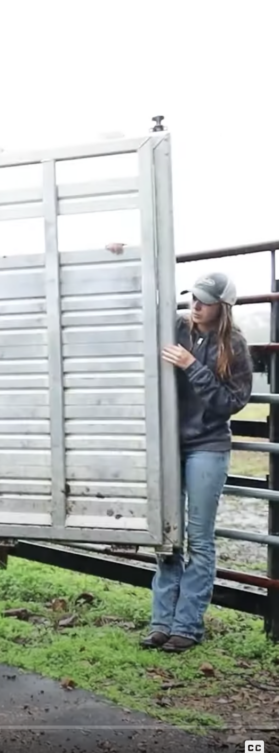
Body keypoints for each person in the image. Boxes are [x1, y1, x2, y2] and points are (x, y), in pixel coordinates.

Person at [141, 271, 253, 653]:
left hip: (207, 446)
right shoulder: (176, 327)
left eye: (205, 300)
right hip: (170, 446)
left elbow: (229, 404)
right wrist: (121, 255)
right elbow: (143, 301)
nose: (197, 304)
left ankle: (187, 626)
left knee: (200, 540)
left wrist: (192, 365)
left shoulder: (234, 346)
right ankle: (161, 622)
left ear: (223, 306)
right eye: (195, 297)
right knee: (168, 534)